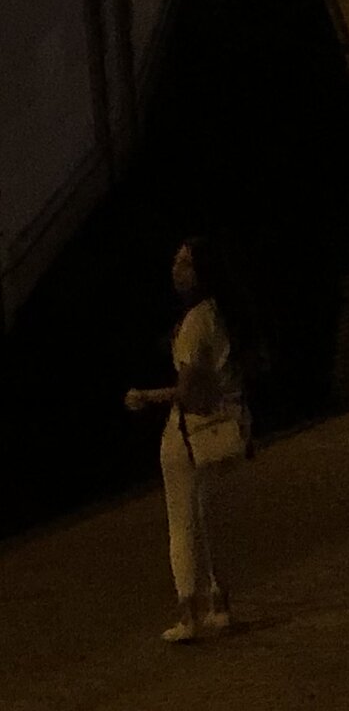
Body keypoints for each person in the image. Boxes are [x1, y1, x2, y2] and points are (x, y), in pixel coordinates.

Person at [124, 238, 252, 643]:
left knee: (181, 521)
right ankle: (220, 605)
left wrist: (144, 396)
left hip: (190, 431)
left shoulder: (196, 321)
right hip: (225, 427)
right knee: (209, 518)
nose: (176, 269)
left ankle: (187, 614)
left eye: (185, 264)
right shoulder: (220, 312)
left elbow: (187, 389)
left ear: (200, 273)